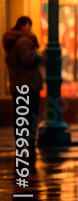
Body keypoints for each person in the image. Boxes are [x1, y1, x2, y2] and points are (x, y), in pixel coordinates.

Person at [4, 16, 44, 146]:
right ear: (23, 25)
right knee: (31, 115)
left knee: (20, 116)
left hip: (18, 84)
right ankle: (30, 143)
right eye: (29, 25)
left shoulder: (12, 40)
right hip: (29, 84)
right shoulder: (24, 41)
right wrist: (38, 54)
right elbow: (28, 60)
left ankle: (20, 144)